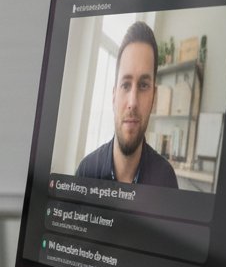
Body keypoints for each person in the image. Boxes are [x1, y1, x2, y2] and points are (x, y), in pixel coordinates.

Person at [75, 20, 179, 188]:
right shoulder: (85, 173)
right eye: (125, 85)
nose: (132, 102)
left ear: (154, 97)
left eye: (144, 85)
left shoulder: (166, 180)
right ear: (114, 95)